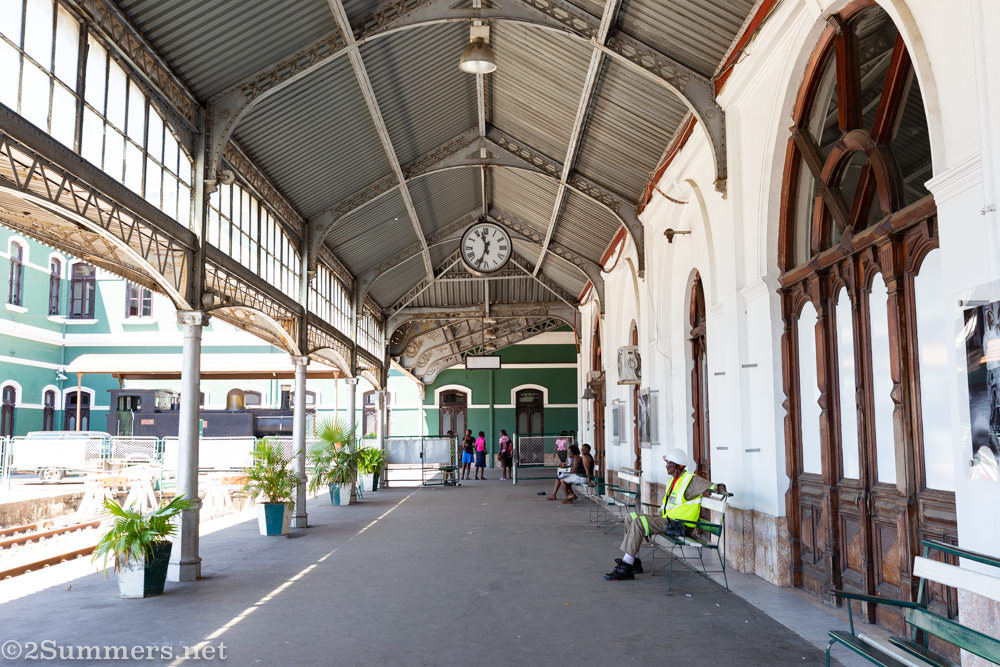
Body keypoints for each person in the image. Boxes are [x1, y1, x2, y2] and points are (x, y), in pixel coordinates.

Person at [604, 448, 727, 581]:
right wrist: (652, 522)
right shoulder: (671, 482)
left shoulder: (690, 480)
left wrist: (719, 488)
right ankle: (635, 562)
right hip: (668, 521)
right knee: (631, 517)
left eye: (668, 463)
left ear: (675, 465)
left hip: (680, 525)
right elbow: (665, 507)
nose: (666, 465)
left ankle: (626, 566)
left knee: (639, 522)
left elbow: (711, 486)